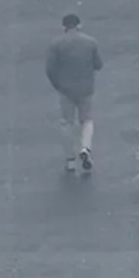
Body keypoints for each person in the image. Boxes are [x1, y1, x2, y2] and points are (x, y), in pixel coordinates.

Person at [45, 11, 102, 174]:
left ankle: (70, 160)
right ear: (79, 25)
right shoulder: (91, 42)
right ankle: (85, 148)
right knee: (87, 120)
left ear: (63, 27)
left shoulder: (56, 45)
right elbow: (98, 64)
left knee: (66, 122)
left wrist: (58, 85)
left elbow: (50, 69)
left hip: (65, 90)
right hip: (86, 89)